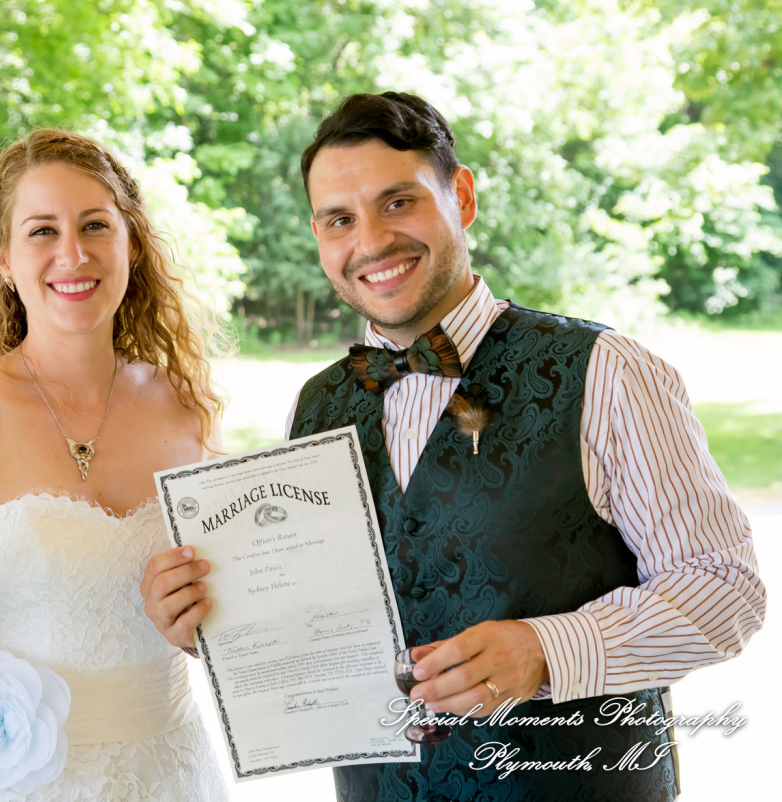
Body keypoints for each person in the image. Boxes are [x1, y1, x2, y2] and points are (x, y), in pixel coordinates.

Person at [141, 93, 766, 801]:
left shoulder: (608, 371)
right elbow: (318, 629)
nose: (371, 241)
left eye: (398, 202)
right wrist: (209, 625)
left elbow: (725, 590)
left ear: (460, 196)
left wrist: (546, 649)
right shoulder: (316, 406)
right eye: (340, 219)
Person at [0, 129, 229, 801]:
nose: (73, 253)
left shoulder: (186, 411)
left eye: (96, 224)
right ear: (3, 257)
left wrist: (202, 628)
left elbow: (227, 625)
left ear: (132, 242)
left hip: (171, 774)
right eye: (41, 231)